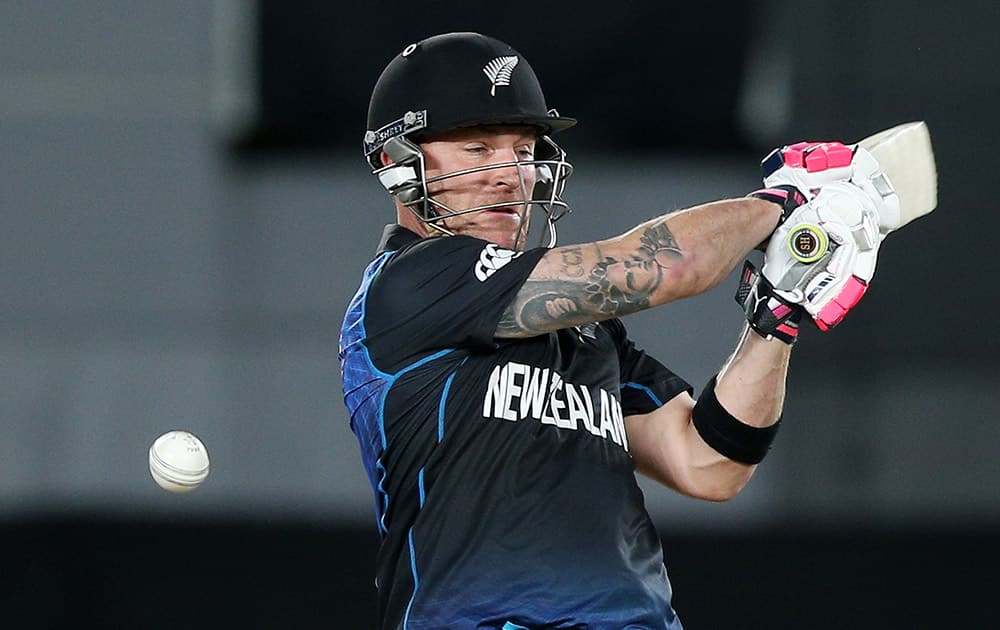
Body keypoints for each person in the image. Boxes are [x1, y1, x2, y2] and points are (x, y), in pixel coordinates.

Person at [339, 32, 891, 629]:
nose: (509, 175)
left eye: (523, 152)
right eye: (477, 149)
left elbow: (707, 463)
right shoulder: (412, 285)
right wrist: (783, 205)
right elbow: (663, 266)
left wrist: (776, 317)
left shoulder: (585, 332)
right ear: (396, 163)